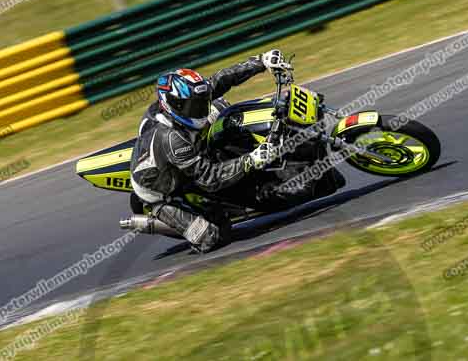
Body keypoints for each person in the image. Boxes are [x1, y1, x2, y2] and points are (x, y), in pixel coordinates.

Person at [129, 50, 341, 253]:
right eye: (194, 106)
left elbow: (222, 79)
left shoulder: (184, 105)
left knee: (225, 111)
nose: (200, 109)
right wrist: (251, 160)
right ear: (172, 105)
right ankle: (157, 219)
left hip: (184, 153)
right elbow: (209, 178)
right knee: (213, 236)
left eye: (200, 103)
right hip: (165, 189)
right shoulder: (171, 139)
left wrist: (261, 61)